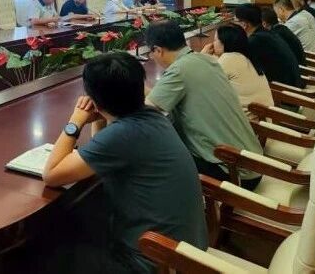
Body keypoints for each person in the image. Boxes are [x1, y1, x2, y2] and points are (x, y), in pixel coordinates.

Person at [43, 52, 208, 273]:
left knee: (52, 252)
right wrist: (102, 116)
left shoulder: (123, 134)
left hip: (155, 260)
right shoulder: (153, 116)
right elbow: (103, 150)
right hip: (186, 250)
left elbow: (52, 174)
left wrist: (75, 121)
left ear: (95, 98)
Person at [145, 21, 263, 190]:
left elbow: (146, 111)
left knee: (154, 153)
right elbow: (159, 98)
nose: (152, 57)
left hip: (234, 174)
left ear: (158, 50)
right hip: (254, 164)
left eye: (151, 53)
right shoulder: (206, 60)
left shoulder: (179, 70)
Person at [201, 25, 274, 121]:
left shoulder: (228, 59)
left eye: (215, 40)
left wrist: (202, 56)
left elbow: (202, 81)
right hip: (265, 120)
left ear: (224, 43)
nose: (212, 44)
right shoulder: (245, 56)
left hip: (250, 125)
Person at [235, 4, 303, 87]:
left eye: (235, 21)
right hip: (293, 84)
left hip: (283, 90)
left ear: (244, 24)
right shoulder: (267, 33)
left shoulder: (256, 40)